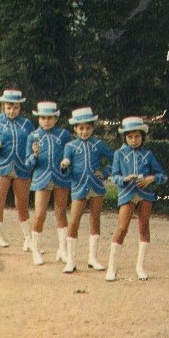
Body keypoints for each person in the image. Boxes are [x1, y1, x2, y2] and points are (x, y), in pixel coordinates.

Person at [107, 116, 168, 281]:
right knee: (121, 228)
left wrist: (151, 179)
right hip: (127, 193)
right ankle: (112, 267)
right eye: (130, 137)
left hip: (145, 194)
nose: (134, 140)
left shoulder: (148, 155)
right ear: (125, 137)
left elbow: (162, 175)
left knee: (144, 227)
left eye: (137, 136)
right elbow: (114, 176)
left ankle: (140, 266)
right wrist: (124, 180)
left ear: (142, 136)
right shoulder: (119, 154)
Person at [59, 107, 115, 273]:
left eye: (88, 128)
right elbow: (67, 172)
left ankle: (93, 258)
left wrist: (105, 172)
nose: (84, 131)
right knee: (73, 222)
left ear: (93, 128)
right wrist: (63, 167)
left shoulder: (98, 144)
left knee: (95, 220)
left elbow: (116, 158)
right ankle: (71, 260)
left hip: (96, 187)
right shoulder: (70, 146)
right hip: (78, 187)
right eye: (81, 128)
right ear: (75, 129)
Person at [24, 102, 72, 266]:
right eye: (43, 118)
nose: (46, 121)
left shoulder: (64, 135)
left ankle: (63, 250)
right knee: (40, 214)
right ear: (38, 118)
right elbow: (28, 163)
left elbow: (69, 155)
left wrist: (67, 164)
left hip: (60, 177)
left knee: (61, 213)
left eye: (50, 118)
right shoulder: (33, 136)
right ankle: (35, 250)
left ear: (55, 118)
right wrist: (35, 155)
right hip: (41, 178)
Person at [0, 89, 34, 256]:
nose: (11, 111)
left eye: (14, 107)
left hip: (22, 168)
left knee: (22, 205)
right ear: (3, 107)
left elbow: (33, 146)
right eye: (8, 107)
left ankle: (29, 239)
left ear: (19, 107)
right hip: (2, 167)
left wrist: (32, 158)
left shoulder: (27, 125)